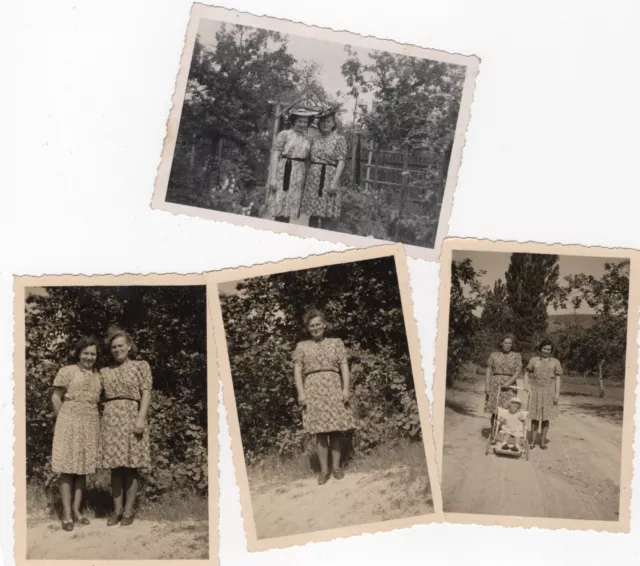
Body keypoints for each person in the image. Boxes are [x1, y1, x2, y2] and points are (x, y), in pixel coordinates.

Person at [292, 308, 356, 485]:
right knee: (320, 432)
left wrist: (346, 389)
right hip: (313, 390)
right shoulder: (302, 346)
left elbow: (344, 366)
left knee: (335, 429)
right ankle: (324, 471)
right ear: (308, 328)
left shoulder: (336, 343)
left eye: (318, 324)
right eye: (311, 326)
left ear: (324, 325)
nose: (315, 328)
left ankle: (336, 468)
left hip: (333, 387)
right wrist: (301, 393)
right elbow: (297, 371)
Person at [99, 327, 152, 526]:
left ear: (129, 347)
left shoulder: (141, 366)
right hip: (111, 418)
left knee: (130, 467)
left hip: (132, 416)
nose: (117, 349)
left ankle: (129, 511)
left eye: (121, 345)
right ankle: (117, 511)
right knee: (115, 467)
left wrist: (140, 418)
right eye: (113, 347)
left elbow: (146, 393)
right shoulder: (104, 371)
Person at [51, 336, 102, 531]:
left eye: (93, 354)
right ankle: (66, 515)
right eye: (86, 353)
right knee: (67, 467)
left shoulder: (98, 376)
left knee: (82, 468)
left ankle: (77, 511)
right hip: (69, 421)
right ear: (79, 354)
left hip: (90, 422)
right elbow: (56, 398)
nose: (89, 357)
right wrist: (63, 419)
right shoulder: (67, 371)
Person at [266, 107, 317, 223]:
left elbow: (308, 160)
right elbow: (275, 155)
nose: (302, 124)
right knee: (279, 204)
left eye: (305, 122)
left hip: (298, 175)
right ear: (294, 121)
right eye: (300, 121)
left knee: (289, 208)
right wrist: (273, 178)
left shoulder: (308, 139)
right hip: (283, 171)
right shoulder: (284, 134)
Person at [300, 106, 347, 229]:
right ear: (319, 124)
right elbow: (308, 160)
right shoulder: (314, 139)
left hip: (329, 178)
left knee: (327, 215)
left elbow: (341, 162)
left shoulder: (339, 139)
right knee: (313, 214)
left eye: (328, 121)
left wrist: (334, 182)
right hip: (313, 180)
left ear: (333, 123)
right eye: (322, 122)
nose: (325, 124)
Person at [525, 339, 562, 450]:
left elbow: (558, 378)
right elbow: (526, 373)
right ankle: (532, 441)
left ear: (551, 351)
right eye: (544, 349)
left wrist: (557, 394)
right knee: (535, 417)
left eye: (548, 349)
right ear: (540, 349)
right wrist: (526, 386)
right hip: (536, 391)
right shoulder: (534, 360)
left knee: (546, 418)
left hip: (549, 392)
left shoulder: (555, 362)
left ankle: (542, 442)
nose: (546, 351)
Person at [485, 334, 522, 437]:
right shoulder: (494, 355)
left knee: (509, 410)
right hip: (495, 384)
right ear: (501, 343)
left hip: (510, 385)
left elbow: (518, 371)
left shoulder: (517, 355)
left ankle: (506, 434)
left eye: (509, 343)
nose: (507, 345)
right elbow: (489, 369)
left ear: (512, 345)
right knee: (495, 411)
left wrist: (508, 383)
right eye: (505, 343)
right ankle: (494, 434)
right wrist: (487, 386)